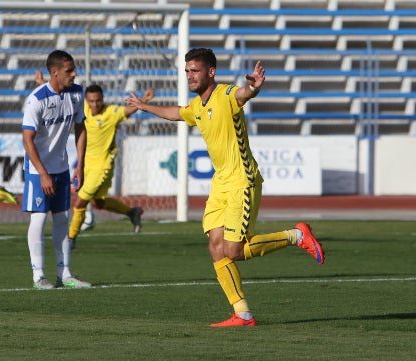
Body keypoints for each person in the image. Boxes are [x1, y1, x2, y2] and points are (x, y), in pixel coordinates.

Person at [125, 48, 325, 327]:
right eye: (187, 71)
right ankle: (242, 312)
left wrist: (253, 87)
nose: (189, 76)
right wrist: (144, 107)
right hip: (221, 183)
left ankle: (295, 235)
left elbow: (244, 94)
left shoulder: (226, 95)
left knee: (234, 251)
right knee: (216, 247)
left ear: (211, 72)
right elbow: (176, 113)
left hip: (242, 180)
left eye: (194, 70)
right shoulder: (197, 106)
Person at [22, 50, 90, 290]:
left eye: (74, 69)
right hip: (37, 169)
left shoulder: (76, 93)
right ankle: (38, 275)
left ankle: (65, 274)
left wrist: (79, 165)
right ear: (55, 72)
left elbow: (81, 129)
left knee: (62, 219)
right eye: (69, 70)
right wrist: (42, 173)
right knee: (39, 219)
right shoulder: (36, 99)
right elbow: (27, 139)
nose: (74, 74)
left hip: (61, 168)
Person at [68, 84, 154, 249]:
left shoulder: (111, 113)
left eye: (98, 100)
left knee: (79, 203)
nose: (95, 104)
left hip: (102, 167)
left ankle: (70, 238)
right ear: (87, 100)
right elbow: (62, 97)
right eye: (91, 101)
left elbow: (127, 111)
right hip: (85, 166)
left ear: (102, 99)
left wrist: (144, 99)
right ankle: (132, 212)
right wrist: (43, 84)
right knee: (97, 203)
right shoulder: (82, 109)